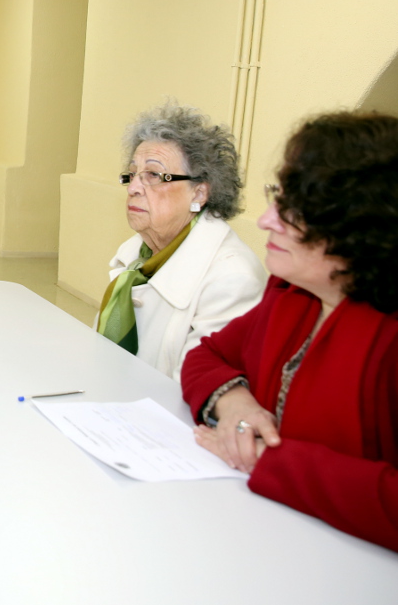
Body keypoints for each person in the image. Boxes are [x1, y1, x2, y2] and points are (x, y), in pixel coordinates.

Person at [182, 111, 398, 551]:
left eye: (296, 211)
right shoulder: (289, 293)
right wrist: (235, 403)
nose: (266, 220)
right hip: (267, 532)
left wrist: (270, 460)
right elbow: (205, 356)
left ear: (364, 230)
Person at [97, 104, 266, 380]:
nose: (134, 188)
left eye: (154, 175)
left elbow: (202, 386)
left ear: (199, 193)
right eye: (132, 174)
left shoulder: (233, 278)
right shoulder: (135, 253)